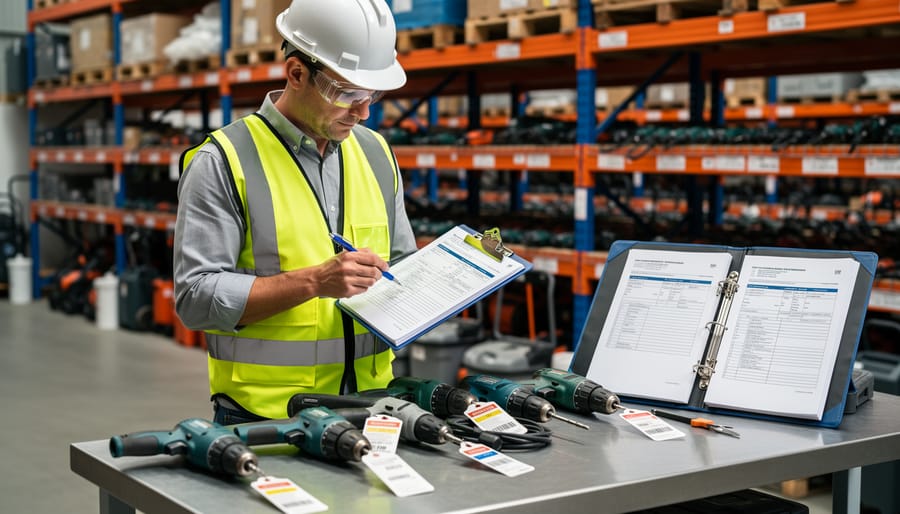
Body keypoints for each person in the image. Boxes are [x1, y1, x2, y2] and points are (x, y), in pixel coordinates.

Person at [173, 0, 417, 425]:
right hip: (266, 419)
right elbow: (196, 298)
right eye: (347, 94)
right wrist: (314, 282)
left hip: (373, 409)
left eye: (372, 95)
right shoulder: (224, 160)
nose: (363, 112)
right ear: (297, 73)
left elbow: (404, 265)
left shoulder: (377, 153)